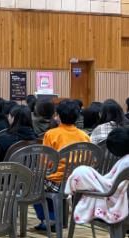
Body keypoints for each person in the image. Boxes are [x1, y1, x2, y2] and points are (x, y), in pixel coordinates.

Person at [34, 99, 91, 230]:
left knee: (34, 185)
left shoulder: (51, 134)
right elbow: (90, 160)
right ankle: (58, 219)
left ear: (58, 116)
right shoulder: (84, 136)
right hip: (78, 182)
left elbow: (44, 163)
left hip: (57, 182)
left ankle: (50, 218)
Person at [65, 126, 129, 225]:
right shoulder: (125, 160)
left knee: (82, 171)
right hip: (119, 195)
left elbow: (111, 186)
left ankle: (75, 187)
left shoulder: (125, 162)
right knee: (83, 172)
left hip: (112, 199)